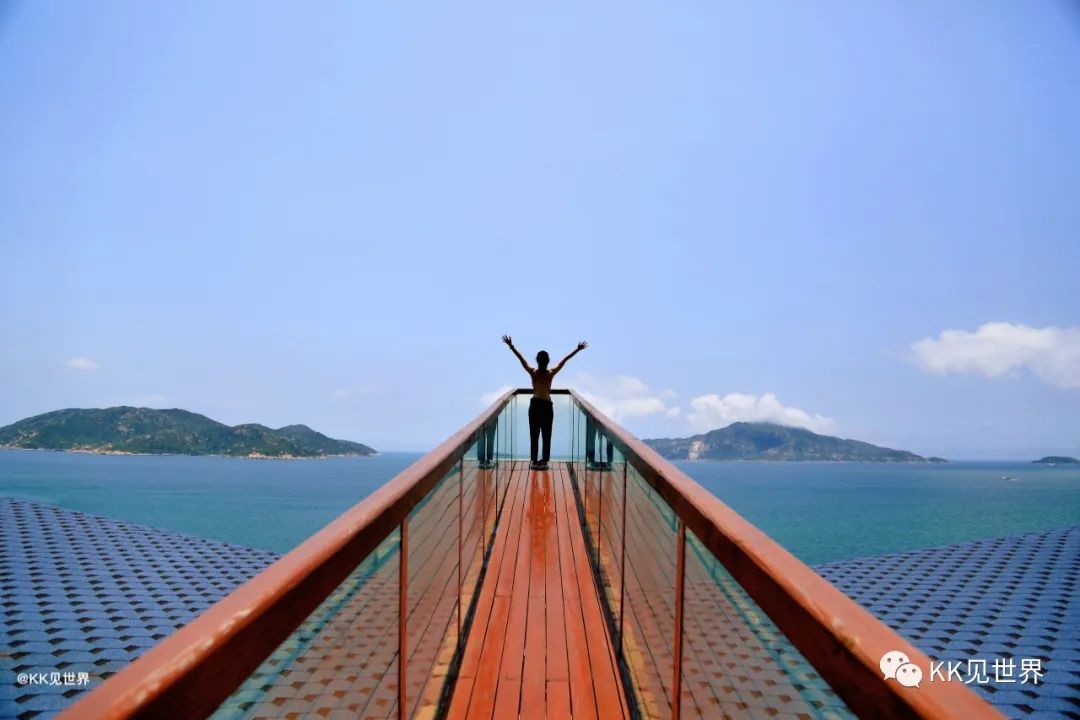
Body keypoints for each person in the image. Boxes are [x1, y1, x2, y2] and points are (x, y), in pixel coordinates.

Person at [502, 335, 587, 470]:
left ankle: (535, 460)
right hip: (546, 405)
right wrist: (577, 350)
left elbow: (521, 359)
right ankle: (543, 461)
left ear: (538, 360)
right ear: (547, 361)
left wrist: (511, 346)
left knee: (535, 433)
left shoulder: (534, 372)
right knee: (546, 434)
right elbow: (564, 361)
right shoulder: (549, 372)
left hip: (536, 405)